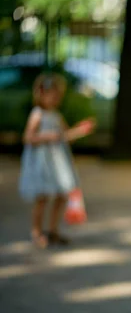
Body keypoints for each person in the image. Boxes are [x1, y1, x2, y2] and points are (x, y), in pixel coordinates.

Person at [18, 73, 95, 248]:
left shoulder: (56, 115)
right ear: (42, 94)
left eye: (58, 96)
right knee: (42, 198)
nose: (56, 99)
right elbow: (28, 137)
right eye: (53, 95)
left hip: (57, 163)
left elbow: (64, 135)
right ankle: (36, 232)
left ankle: (53, 230)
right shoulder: (37, 114)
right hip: (42, 162)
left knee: (61, 195)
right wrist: (47, 136)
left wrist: (80, 131)